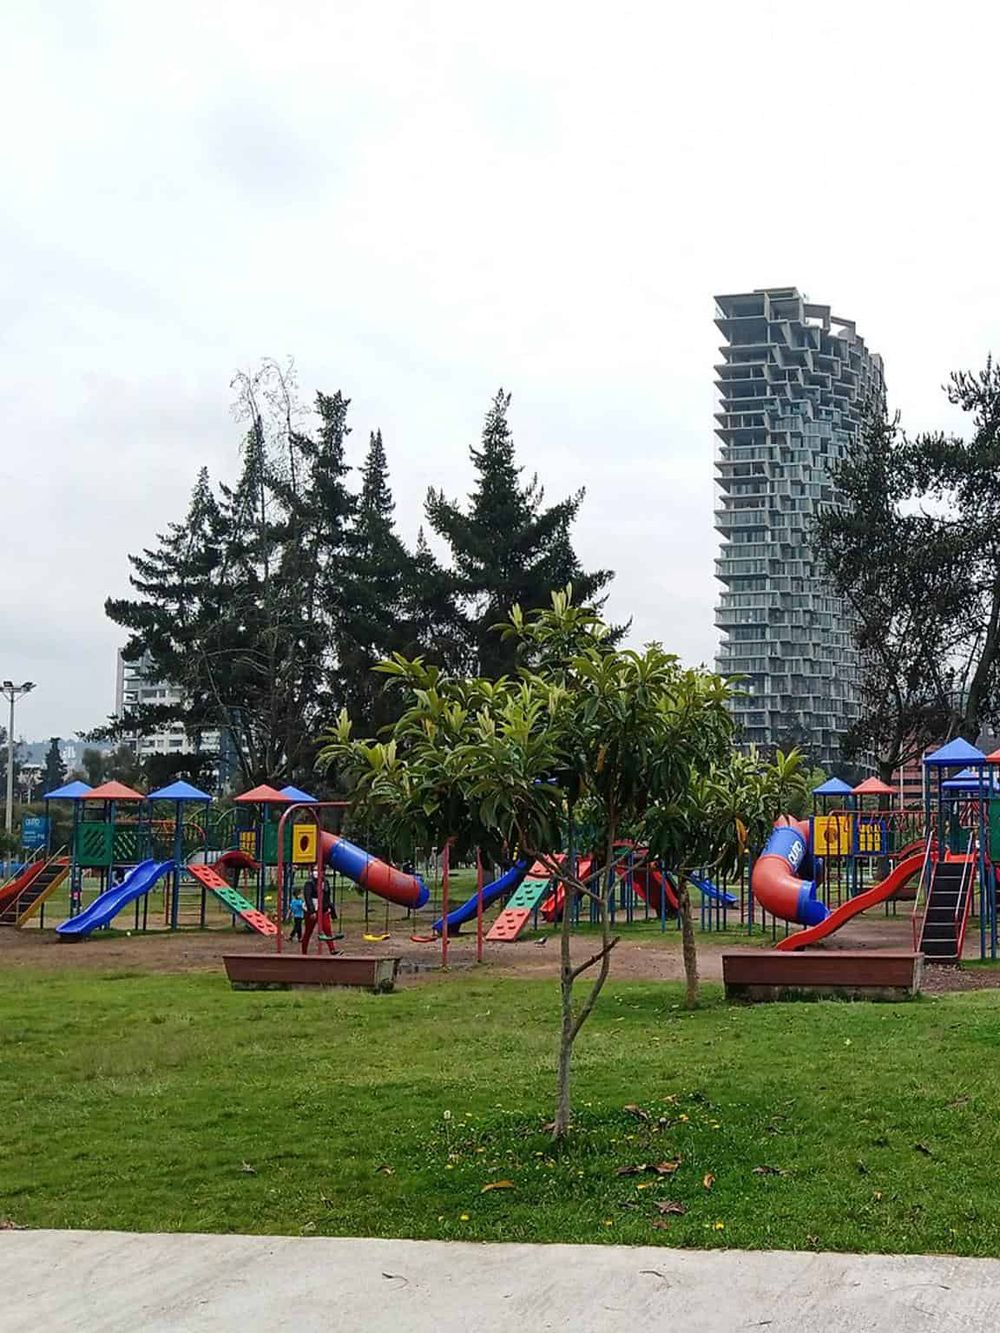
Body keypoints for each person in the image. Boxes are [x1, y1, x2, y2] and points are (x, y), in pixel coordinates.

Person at [302, 872, 337, 955]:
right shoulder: (309, 883)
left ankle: (332, 949)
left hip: (323, 910)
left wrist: (330, 909)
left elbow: (327, 896)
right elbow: (308, 898)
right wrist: (312, 911)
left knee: (327, 929)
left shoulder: (326, 882)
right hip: (312, 910)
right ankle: (304, 951)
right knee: (308, 931)